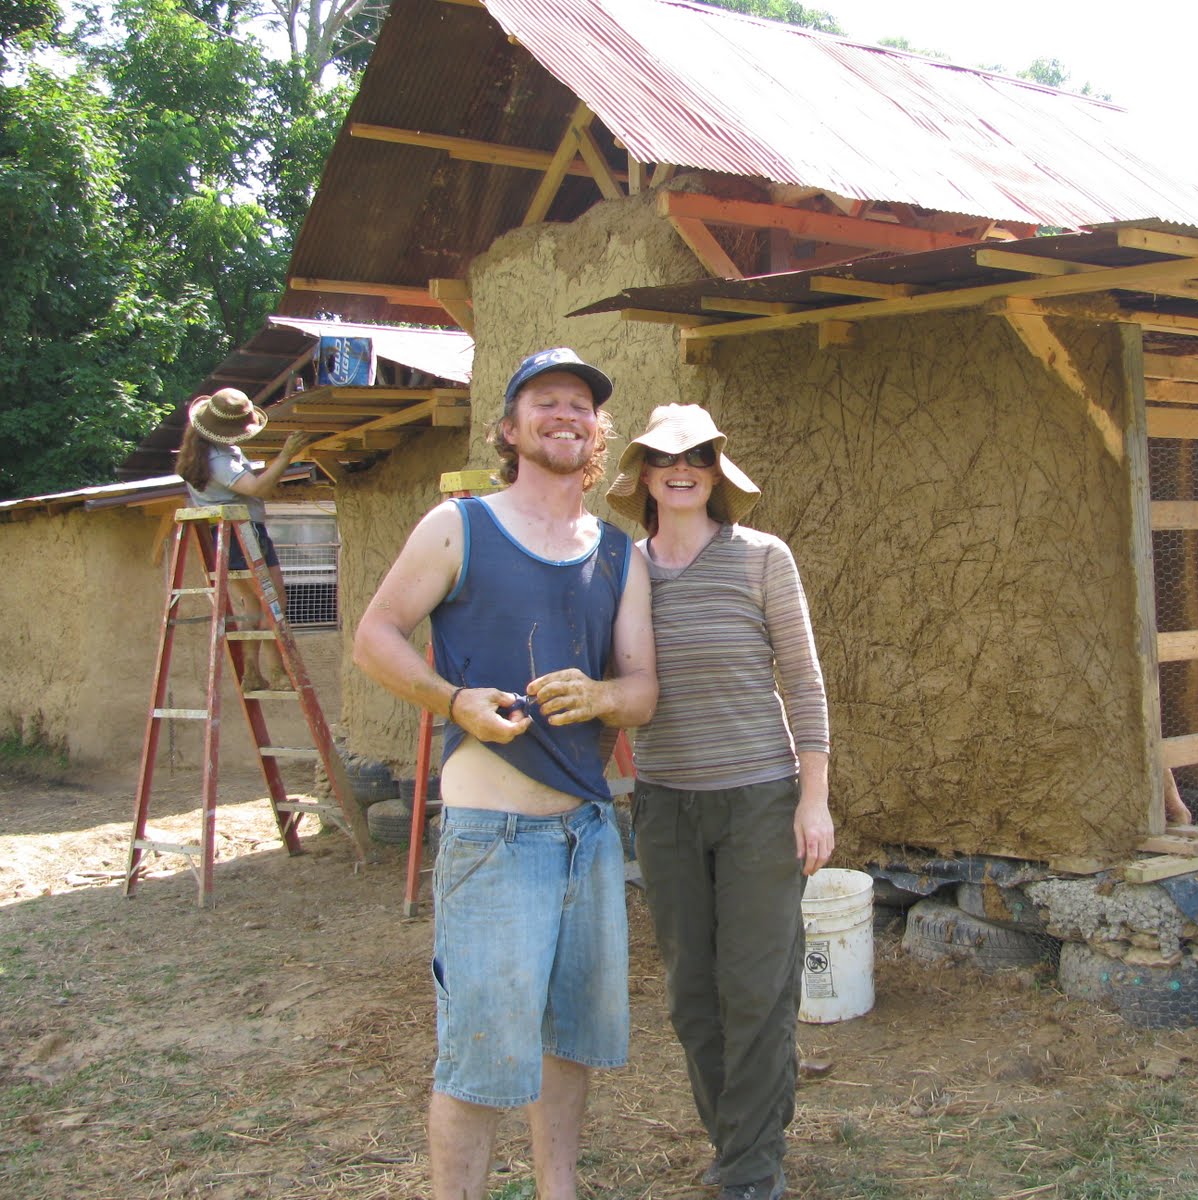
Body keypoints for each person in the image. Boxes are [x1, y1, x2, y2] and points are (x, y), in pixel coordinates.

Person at [352, 348, 656, 1200]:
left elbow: (644, 690)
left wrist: (600, 695)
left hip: (586, 838)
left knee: (569, 1045)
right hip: (492, 842)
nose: (567, 414)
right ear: (514, 427)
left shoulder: (618, 554)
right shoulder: (460, 526)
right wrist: (453, 702)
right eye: (547, 401)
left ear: (597, 433)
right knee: (481, 1059)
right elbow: (375, 637)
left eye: (582, 406)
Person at [605, 403, 831, 1200]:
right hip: (665, 805)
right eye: (667, 457)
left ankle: (749, 1170)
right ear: (641, 474)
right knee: (693, 996)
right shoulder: (622, 567)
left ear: (716, 472)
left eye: (699, 455)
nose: (683, 468)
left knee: (757, 987)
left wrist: (814, 800)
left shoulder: (763, 558)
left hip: (760, 802)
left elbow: (802, 682)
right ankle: (740, 1139)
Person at [175, 389, 313, 692]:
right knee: (273, 600)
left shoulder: (203, 453)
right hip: (241, 534)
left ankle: (252, 672)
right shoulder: (219, 459)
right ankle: (277, 672)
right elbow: (258, 488)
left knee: (252, 601)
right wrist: (286, 456)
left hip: (223, 535)